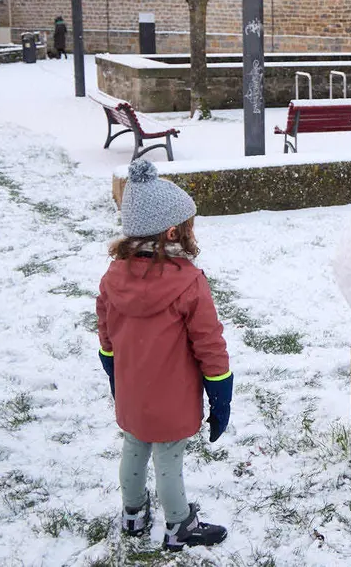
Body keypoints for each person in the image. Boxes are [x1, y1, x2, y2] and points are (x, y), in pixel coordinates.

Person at [97, 159, 232, 551]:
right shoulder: (189, 284)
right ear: (173, 231)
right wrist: (221, 391)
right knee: (168, 459)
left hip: (132, 389)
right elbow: (209, 343)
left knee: (135, 447)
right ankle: (179, 525)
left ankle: (134, 513)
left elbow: (105, 329)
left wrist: (112, 367)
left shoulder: (113, 277)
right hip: (172, 396)